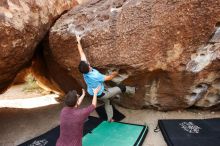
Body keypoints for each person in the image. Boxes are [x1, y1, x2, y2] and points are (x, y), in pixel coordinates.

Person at [76, 35, 134, 122]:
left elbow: (81, 53)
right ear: (88, 68)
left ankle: (110, 118)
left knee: (108, 102)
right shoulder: (95, 76)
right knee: (122, 88)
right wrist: (116, 73)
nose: (88, 63)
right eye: (88, 64)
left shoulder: (84, 72)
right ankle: (134, 91)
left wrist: (78, 41)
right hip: (102, 93)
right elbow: (109, 78)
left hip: (94, 94)